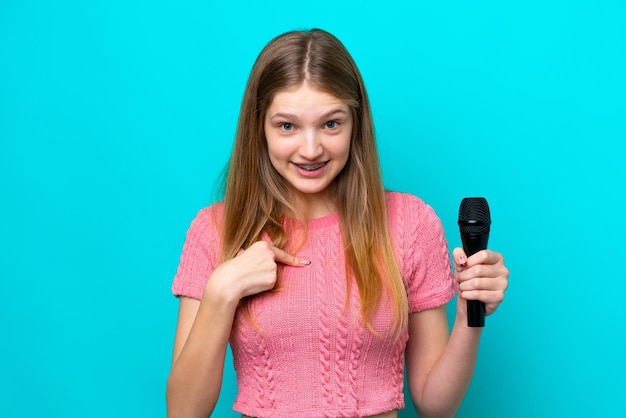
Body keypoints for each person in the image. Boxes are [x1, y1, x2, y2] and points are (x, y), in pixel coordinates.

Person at [166, 29, 509, 418]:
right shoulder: (215, 231)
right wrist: (221, 292)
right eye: (287, 126)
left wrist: (468, 315)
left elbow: (435, 405)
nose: (310, 150)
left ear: (356, 123)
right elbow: (183, 411)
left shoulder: (410, 224)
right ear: (259, 127)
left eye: (331, 124)